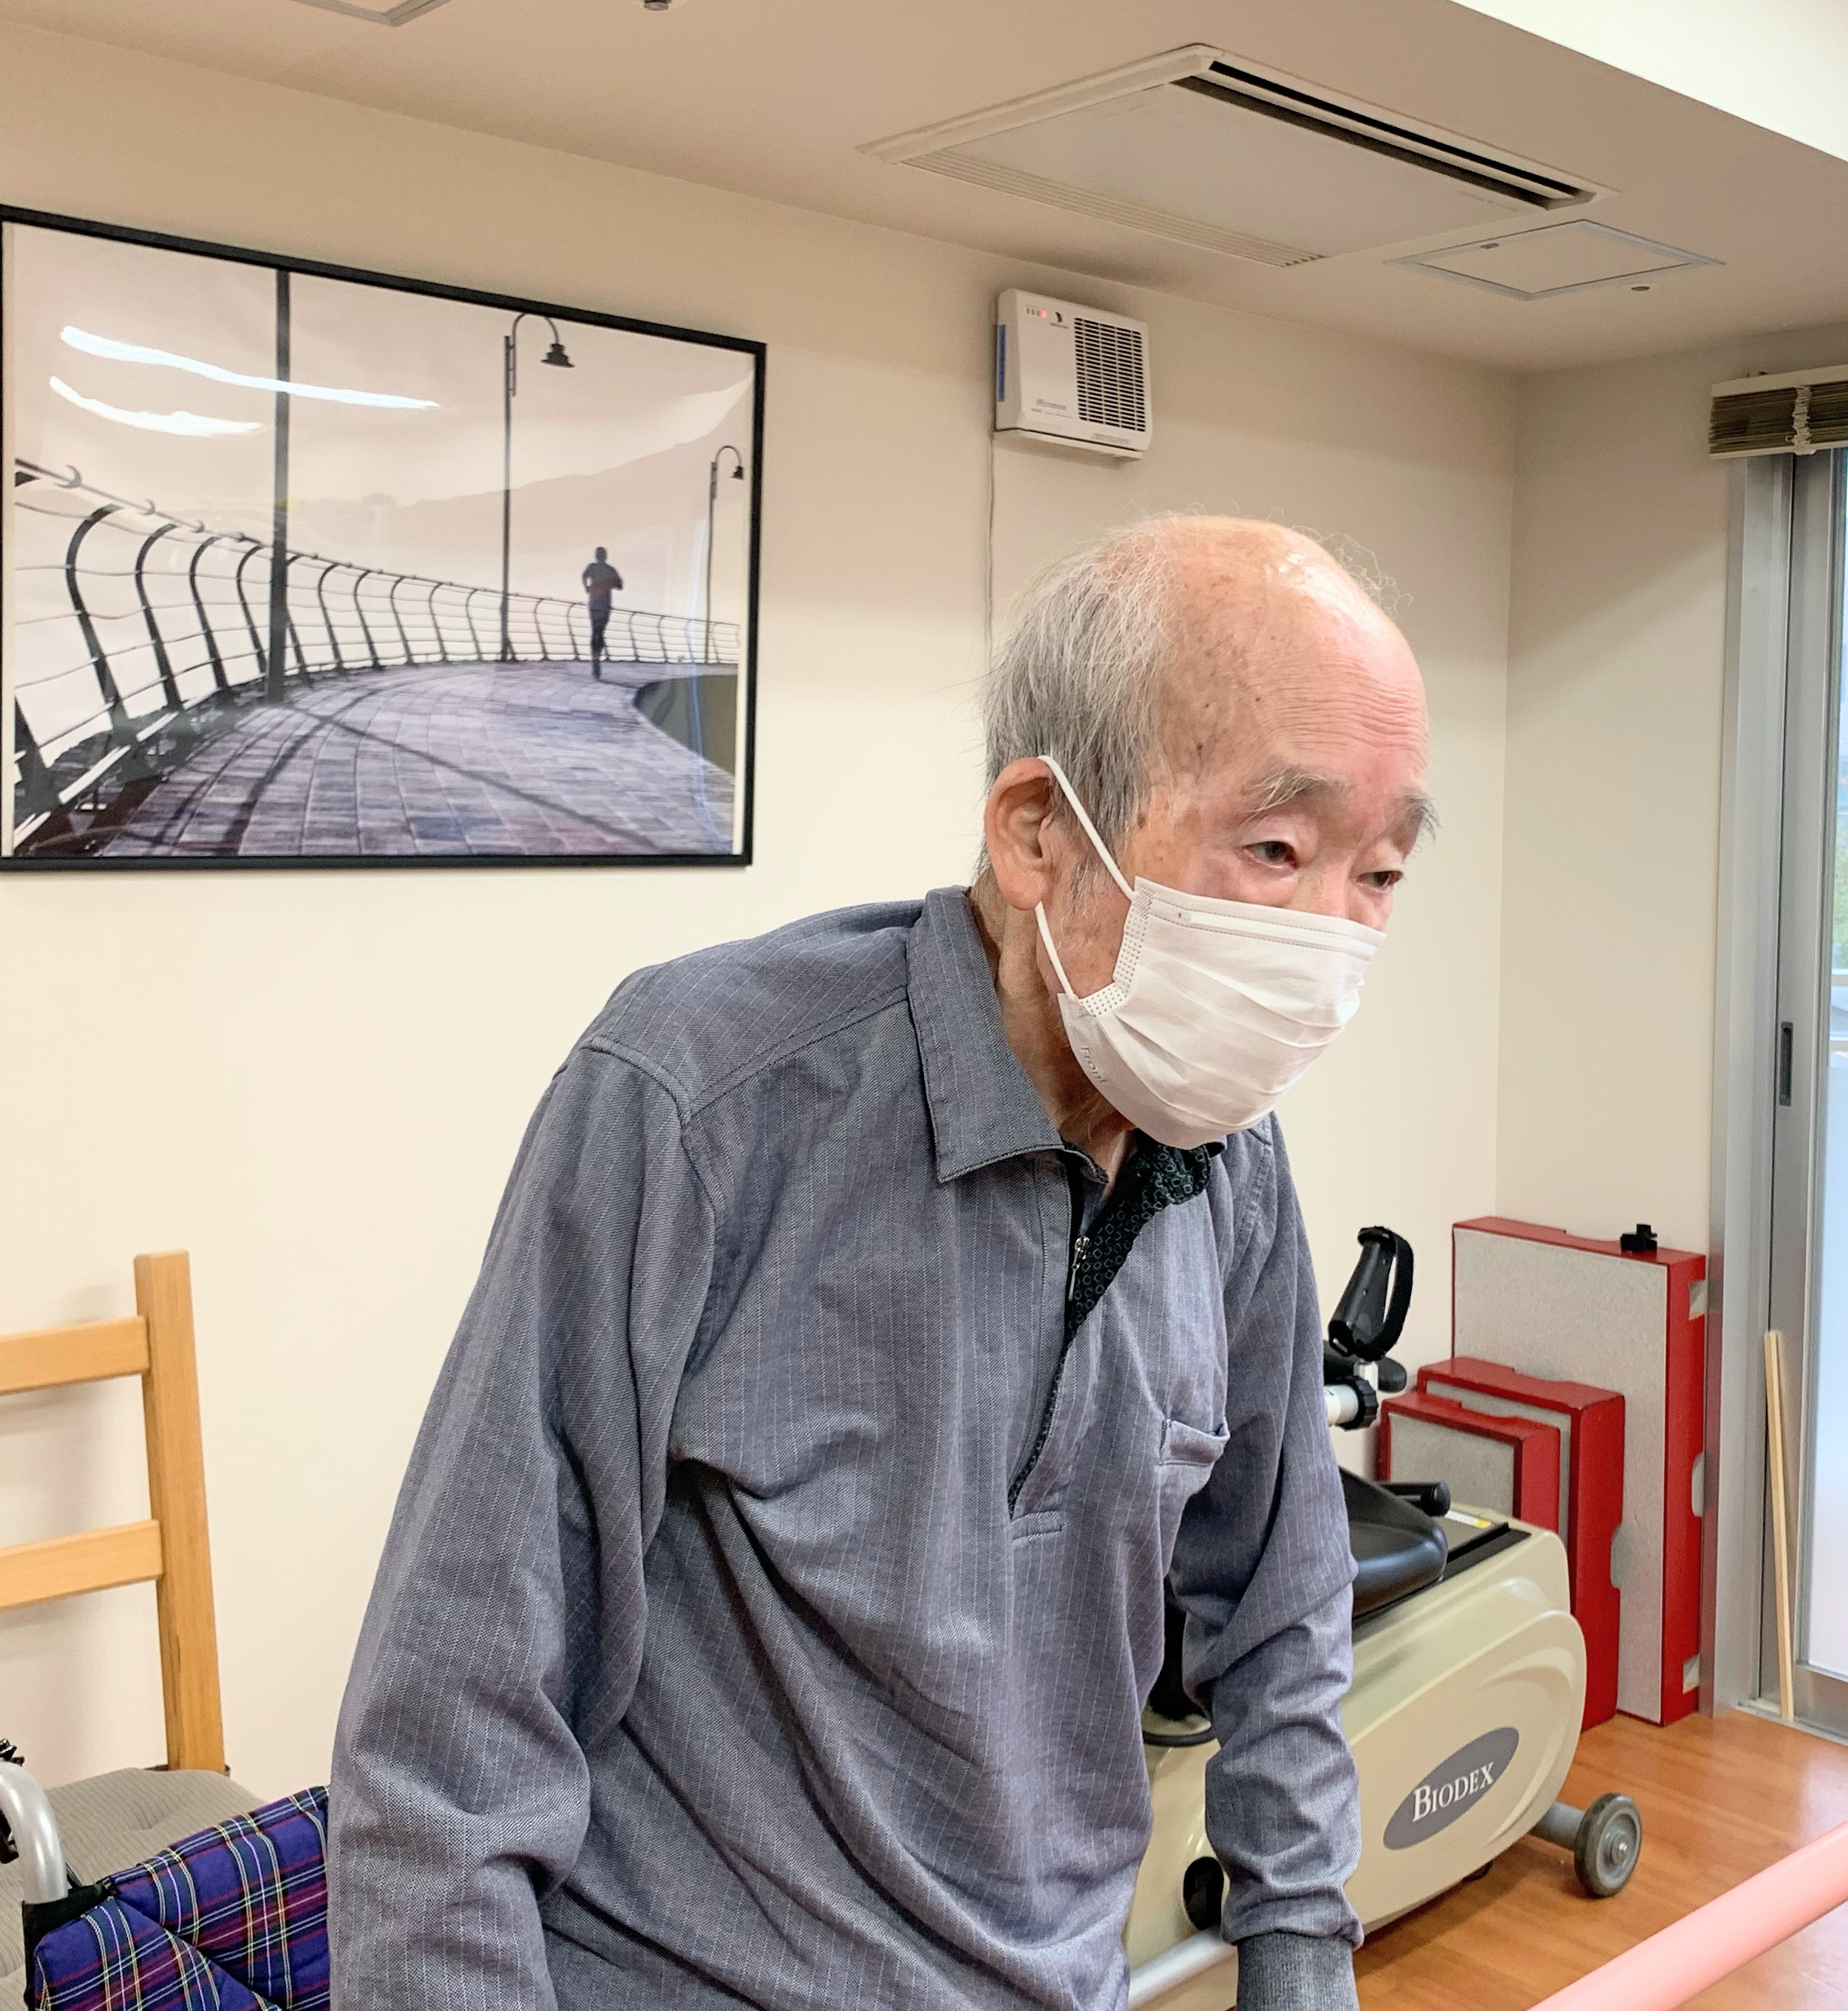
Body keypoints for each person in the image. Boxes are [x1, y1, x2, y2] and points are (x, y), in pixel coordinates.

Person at [332, 514, 1432, 2011]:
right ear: (1038, 832)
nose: (1328, 942)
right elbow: (450, 1729)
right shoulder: (700, 1099)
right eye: (1279, 850)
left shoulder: (1229, 1162)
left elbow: (1282, 1605)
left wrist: (1299, 1954)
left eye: (1380, 873)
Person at [581, 545, 623, 676]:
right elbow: (620, 585)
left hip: (594, 604)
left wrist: (587, 588)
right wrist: (610, 582)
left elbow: (584, 576)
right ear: (605, 556)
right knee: (599, 631)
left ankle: (595, 658)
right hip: (604, 605)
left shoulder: (592, 567)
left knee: (595, 631)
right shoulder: (610, 569)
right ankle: (597, 656)